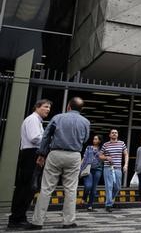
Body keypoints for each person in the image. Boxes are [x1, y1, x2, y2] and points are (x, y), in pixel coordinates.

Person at [27, 97, 90, 230]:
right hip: (74, 155)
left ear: (68, 107)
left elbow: (46, 136)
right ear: (81, 109)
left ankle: (37, 222)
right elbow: (85, 139)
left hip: (55, 154)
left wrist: (42, 154)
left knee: (46, 188)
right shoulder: (85, 122)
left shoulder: (57, 118)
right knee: (71, 189)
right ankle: (68, 221)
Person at [7, 99, 51, 230]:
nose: (48, 109)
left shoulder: (37, 120)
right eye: (45, 107)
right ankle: (16, 219)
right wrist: (48, 139)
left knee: (29, 188)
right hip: (30, 154)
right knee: (25, 187)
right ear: (37, 107)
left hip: (32, 154)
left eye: (49, 107)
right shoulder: (32, 119)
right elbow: (34, 137)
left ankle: (20, 217)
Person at [100, 129, 128, 212]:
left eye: (116, 133)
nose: (114, 134)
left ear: (118, 135)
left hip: (118, 168)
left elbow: (126, 154)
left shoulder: (122, 143)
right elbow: (100, 155)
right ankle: (108, 205)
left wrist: (125, 165)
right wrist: (106, 157)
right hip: (108, 168)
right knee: (109, 187)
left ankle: (109, 200)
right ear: (109, 135)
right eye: (112, 133)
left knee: (118, 187)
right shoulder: (105, 145)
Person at [80, 135, 103, 211]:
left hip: (98, 170)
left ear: (99, 141)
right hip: (88, 169)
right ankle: (84, 197)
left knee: (93, 188)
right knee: (88, 186)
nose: (94, 140)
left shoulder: (102, 149)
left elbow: (104, 158)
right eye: (94, 138)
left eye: (96, 139)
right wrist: (80, 167)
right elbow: (84, 157)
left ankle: (90, 205)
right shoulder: (88, 148)